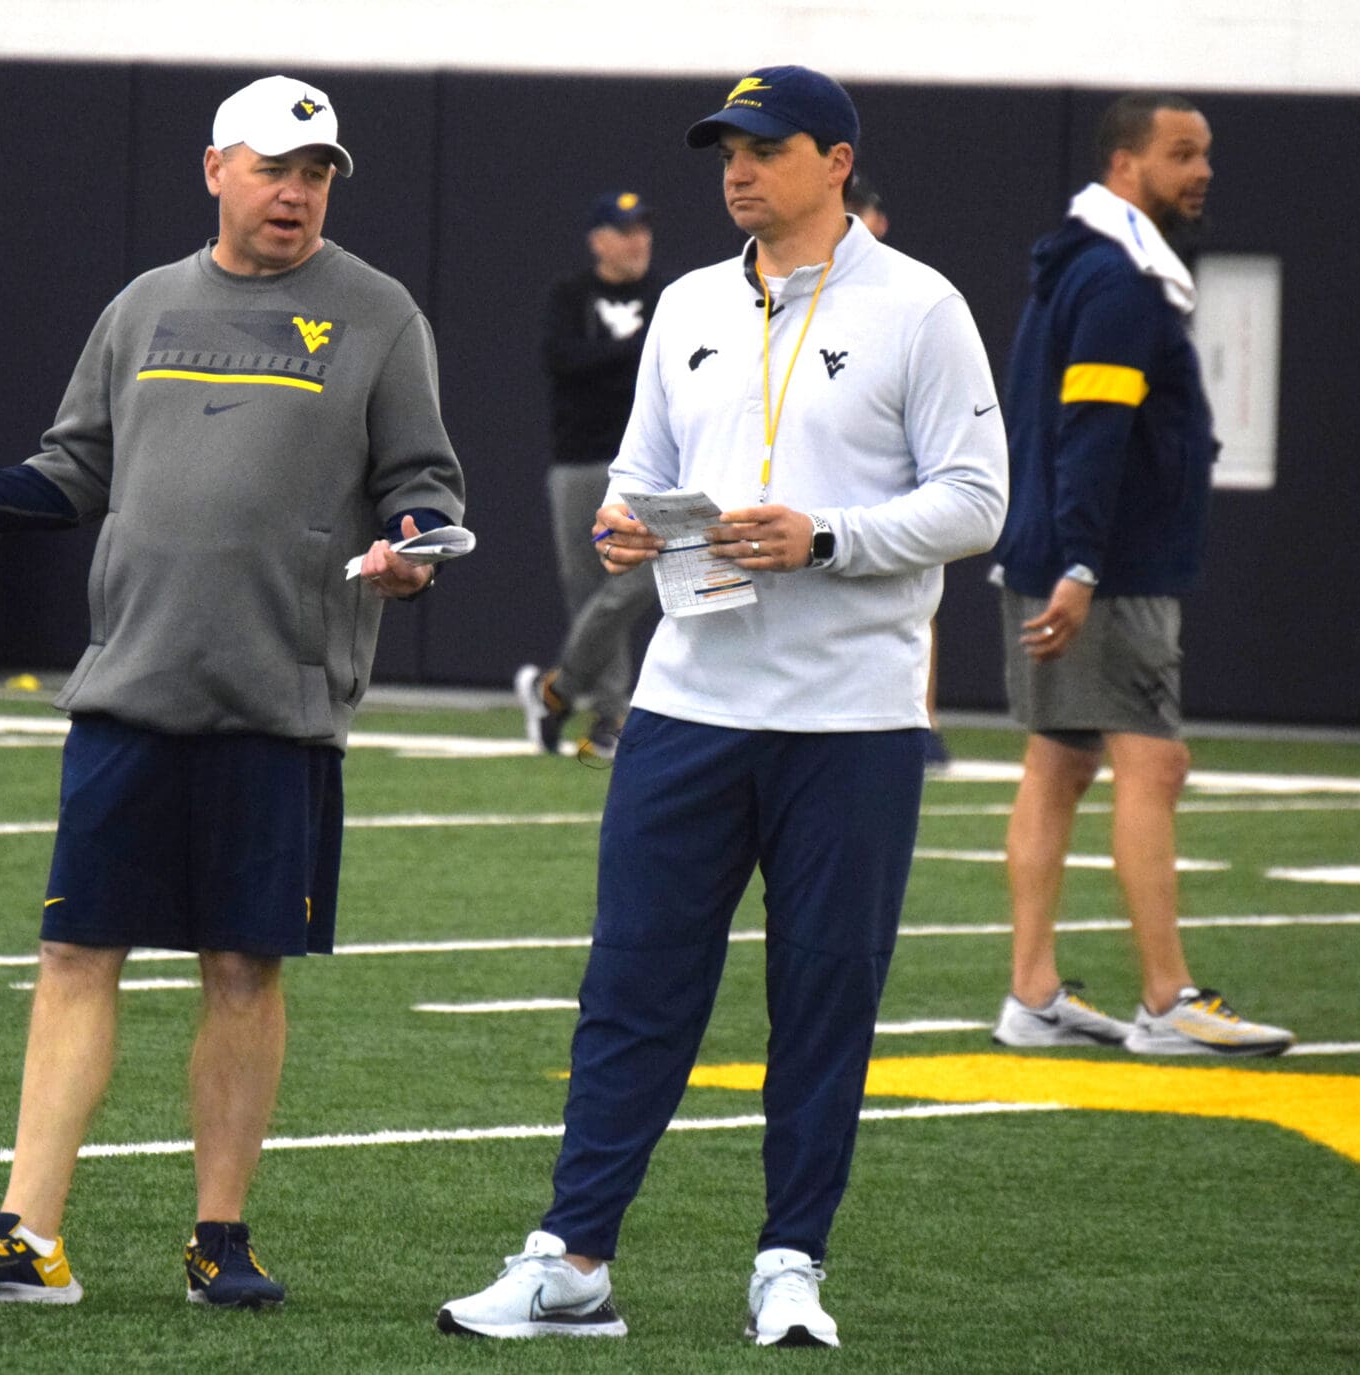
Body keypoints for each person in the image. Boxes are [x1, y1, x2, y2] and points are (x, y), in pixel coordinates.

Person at [0, 74, 465, 1306]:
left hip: (280, 697)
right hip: (129, 686)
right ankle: (28, 1236)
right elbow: (72, 472)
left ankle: (218, 1239)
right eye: (277, 168)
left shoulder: (379, 314)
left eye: (318, 172)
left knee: (241, 967)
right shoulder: (143, 307)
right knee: (76, 949)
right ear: (215, 167)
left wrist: (412, 547)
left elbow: (424, 485)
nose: (297, 193)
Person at [439, 65, 1007, 1348]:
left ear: (836, 160)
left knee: (823, 998)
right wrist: (623, 526)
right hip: (685, 705)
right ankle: (571, 1262)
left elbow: (977, 503)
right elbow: (638, 474)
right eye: (725, 149)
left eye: (764, 146)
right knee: (631, 984)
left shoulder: (920, 307)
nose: (735, 169)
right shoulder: (691, 302)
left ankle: (789, 1264)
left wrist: (823, 538)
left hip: (851, 722)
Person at [988, 92, 1294, 1056]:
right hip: (1104, 570)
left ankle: (1033, 994)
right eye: (1181, 153)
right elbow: (1095, 427)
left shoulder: (1082, 267)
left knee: (1059, 761)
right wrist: (1082, 561)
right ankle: (1168, 1001)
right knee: (1152, 761)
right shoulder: (1119, 280)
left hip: (1063, 554)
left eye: (1205, 154)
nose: (1201, 171)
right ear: (1127, 165)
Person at [516, 191, 662, 763]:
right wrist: (629, 353)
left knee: (640, 579)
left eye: (643, 230)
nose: (638, 241)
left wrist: (609, 358)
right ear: (598, 239)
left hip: (647, 466)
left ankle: (556, 690)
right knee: (589, 593)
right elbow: (563, 359)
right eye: (625, 231)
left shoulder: (666, 296)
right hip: (579, 460)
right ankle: (611, 718)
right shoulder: (570, 295)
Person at [842, 171, 954, 770]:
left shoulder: (915, 298)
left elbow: (970, 497)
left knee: (911, 601)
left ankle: (920, 718)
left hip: (884, 505)